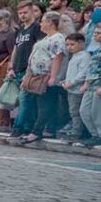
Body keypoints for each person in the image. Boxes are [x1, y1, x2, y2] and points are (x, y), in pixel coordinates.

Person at [18, 11, 66, 144]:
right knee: (39, 103)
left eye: (43, 20)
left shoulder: (58, 38)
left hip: (46, 76)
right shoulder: (46, 38)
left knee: (46, 104)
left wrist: (53, 76)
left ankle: (37, 131)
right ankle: (45, 129)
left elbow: (58, 57)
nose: (41, 23)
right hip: (35, 75)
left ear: (51, 22)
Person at [8, 0, 43, 137]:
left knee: (25, 99)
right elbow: (15, 49)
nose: (22, 15)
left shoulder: (37, 28)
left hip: (30, 70)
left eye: (25, 12)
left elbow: (38, 49)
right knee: (25, 100)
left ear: (32, 12)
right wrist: (11, 66)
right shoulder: (20, 30)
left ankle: (18, 127)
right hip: (17, 68)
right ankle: (27, 126)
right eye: (20, 13)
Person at [62, 32, 89, 141]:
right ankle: (76, 130)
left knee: (76, 112)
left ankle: (77, 132)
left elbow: (83, 73)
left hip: (78, 89)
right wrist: (66, 81)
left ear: (81, 43)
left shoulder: (84, 56)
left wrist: (72, 82)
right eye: (67, 45)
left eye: (72, 44)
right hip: (71, 88)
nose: (69, 47)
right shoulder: (74, 56)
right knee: (73, 111)